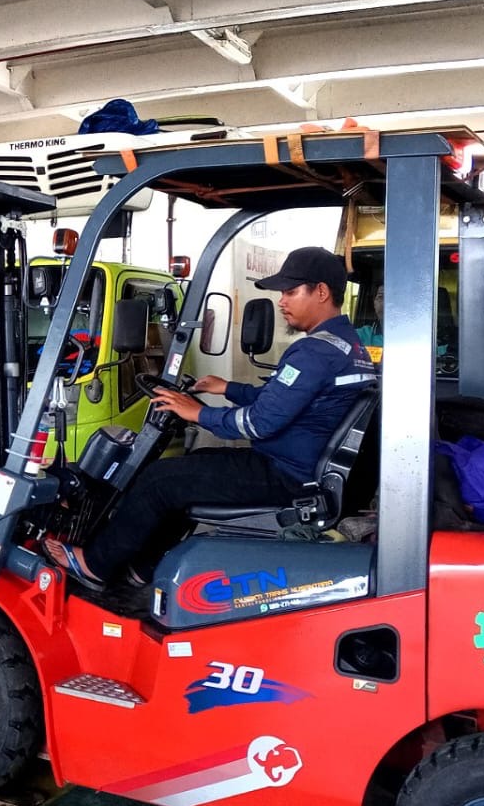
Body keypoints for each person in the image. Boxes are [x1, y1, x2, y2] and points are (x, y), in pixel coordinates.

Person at [46, 246, 376, 586]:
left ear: (321, 292)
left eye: (290, 292)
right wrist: (227, 388)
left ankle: (95, 565)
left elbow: (258, 423)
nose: (281, 301)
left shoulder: (314, 352)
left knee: (161, 479)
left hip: (287, 475)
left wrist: (197, 413)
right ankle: (140, 568)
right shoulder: (346, 346)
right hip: (301, 466)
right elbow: (283, 398)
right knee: (193, 465)